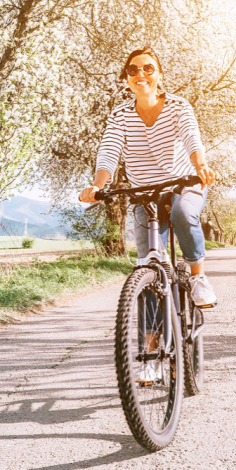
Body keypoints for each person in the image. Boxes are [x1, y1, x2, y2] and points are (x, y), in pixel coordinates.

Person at [79, 47, 218, 307]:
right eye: (133, 70)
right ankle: (151, 339)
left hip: (184, 182)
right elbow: (109, 150)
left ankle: (198, 277)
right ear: (127, 78)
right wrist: (97, 185)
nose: (140, 74)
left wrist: (201, 166)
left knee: (183, 213)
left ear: (160, 75)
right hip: (144, 192)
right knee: (149, 262)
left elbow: (191, 137)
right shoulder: (120, 115)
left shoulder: (178, 106)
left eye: (148, 68)